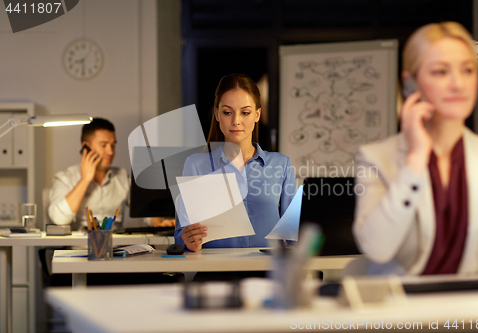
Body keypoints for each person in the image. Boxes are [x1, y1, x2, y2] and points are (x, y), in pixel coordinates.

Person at [352, 22, 478, 275]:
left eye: (467, 70)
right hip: (404, 309)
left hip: (475, 309)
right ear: (411, 83)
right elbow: (377, 248)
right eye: (441, 72)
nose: (458, 84)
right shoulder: (376, 157)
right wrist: (416, 159)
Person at [174, 73, 297, 251]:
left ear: (257, 114)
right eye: (227, 112)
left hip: (266, 272)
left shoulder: (280, 164)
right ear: (216, 114)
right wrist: (188, 240)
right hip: (215, 271)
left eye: (245, 112)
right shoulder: (196, 164)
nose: (236, 121)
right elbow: (180, 235)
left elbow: (295, 234)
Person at [48, 118, 174, 230]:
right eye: (103, 145)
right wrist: (85, 180)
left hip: (117, 250)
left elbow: (144, 212)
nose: (110, 152)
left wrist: (160, 222)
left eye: (113, 145)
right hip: (79, 251)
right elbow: (59, 219)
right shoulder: (65, 178)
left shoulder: (122, 176)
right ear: (86, 147)